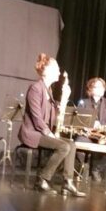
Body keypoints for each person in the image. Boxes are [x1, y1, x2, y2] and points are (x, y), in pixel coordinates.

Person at [19, 53, 86, 197]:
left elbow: (52, 116)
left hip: (42, 132)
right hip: (32, 133)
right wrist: (50, 134)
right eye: (57, 69)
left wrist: (64, 99)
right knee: (63, 146)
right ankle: (42, 179)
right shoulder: (35, 88)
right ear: (47, 70)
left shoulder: (48, 90)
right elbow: (37, 118)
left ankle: (68, 182)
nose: (59, 73)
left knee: (71, 144)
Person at [77, 77, 106, 182]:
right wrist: (90, 124)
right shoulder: (83, 102)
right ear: (90, 89)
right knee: (78, 144)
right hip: (87, 135)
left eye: (102, 87)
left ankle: (96, 169)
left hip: (104, 135)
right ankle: (85, 168)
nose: (101, 89)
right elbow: (79, 120)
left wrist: (100, 125)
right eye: (97, 87)